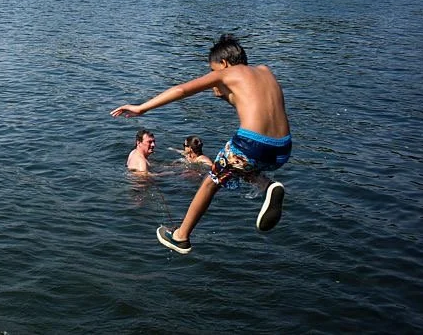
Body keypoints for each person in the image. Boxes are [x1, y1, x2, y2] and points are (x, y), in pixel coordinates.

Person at [110, 34, 291, 254]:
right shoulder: (265, 71)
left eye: (214, 70)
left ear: (223, 64)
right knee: (238, 165)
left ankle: (181, 236)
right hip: (282, 148)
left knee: (211, 180)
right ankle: (266, 185)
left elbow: (181, 90)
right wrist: (223, 95)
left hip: (251, 143)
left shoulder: (227, 73)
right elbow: (256, 105)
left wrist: (141, 108)